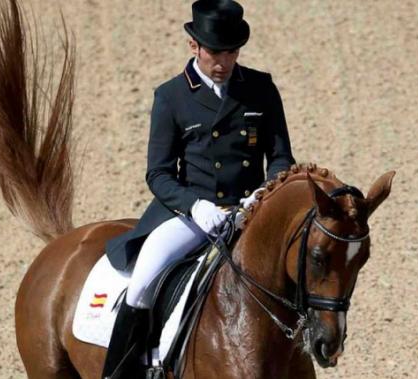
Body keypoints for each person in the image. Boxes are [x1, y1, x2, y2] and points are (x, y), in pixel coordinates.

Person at [102, 0, 295, 376]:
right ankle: (123, 371)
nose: (222, 63)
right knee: (142, 281)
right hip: (190, 216)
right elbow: (158, 174)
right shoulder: (171, 96)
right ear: (194, 47)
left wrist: (265, 194)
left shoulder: (260, 88)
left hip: (248, 213)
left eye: (231, 53)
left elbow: (281, 157)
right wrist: (196, 206)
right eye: (214, 53)